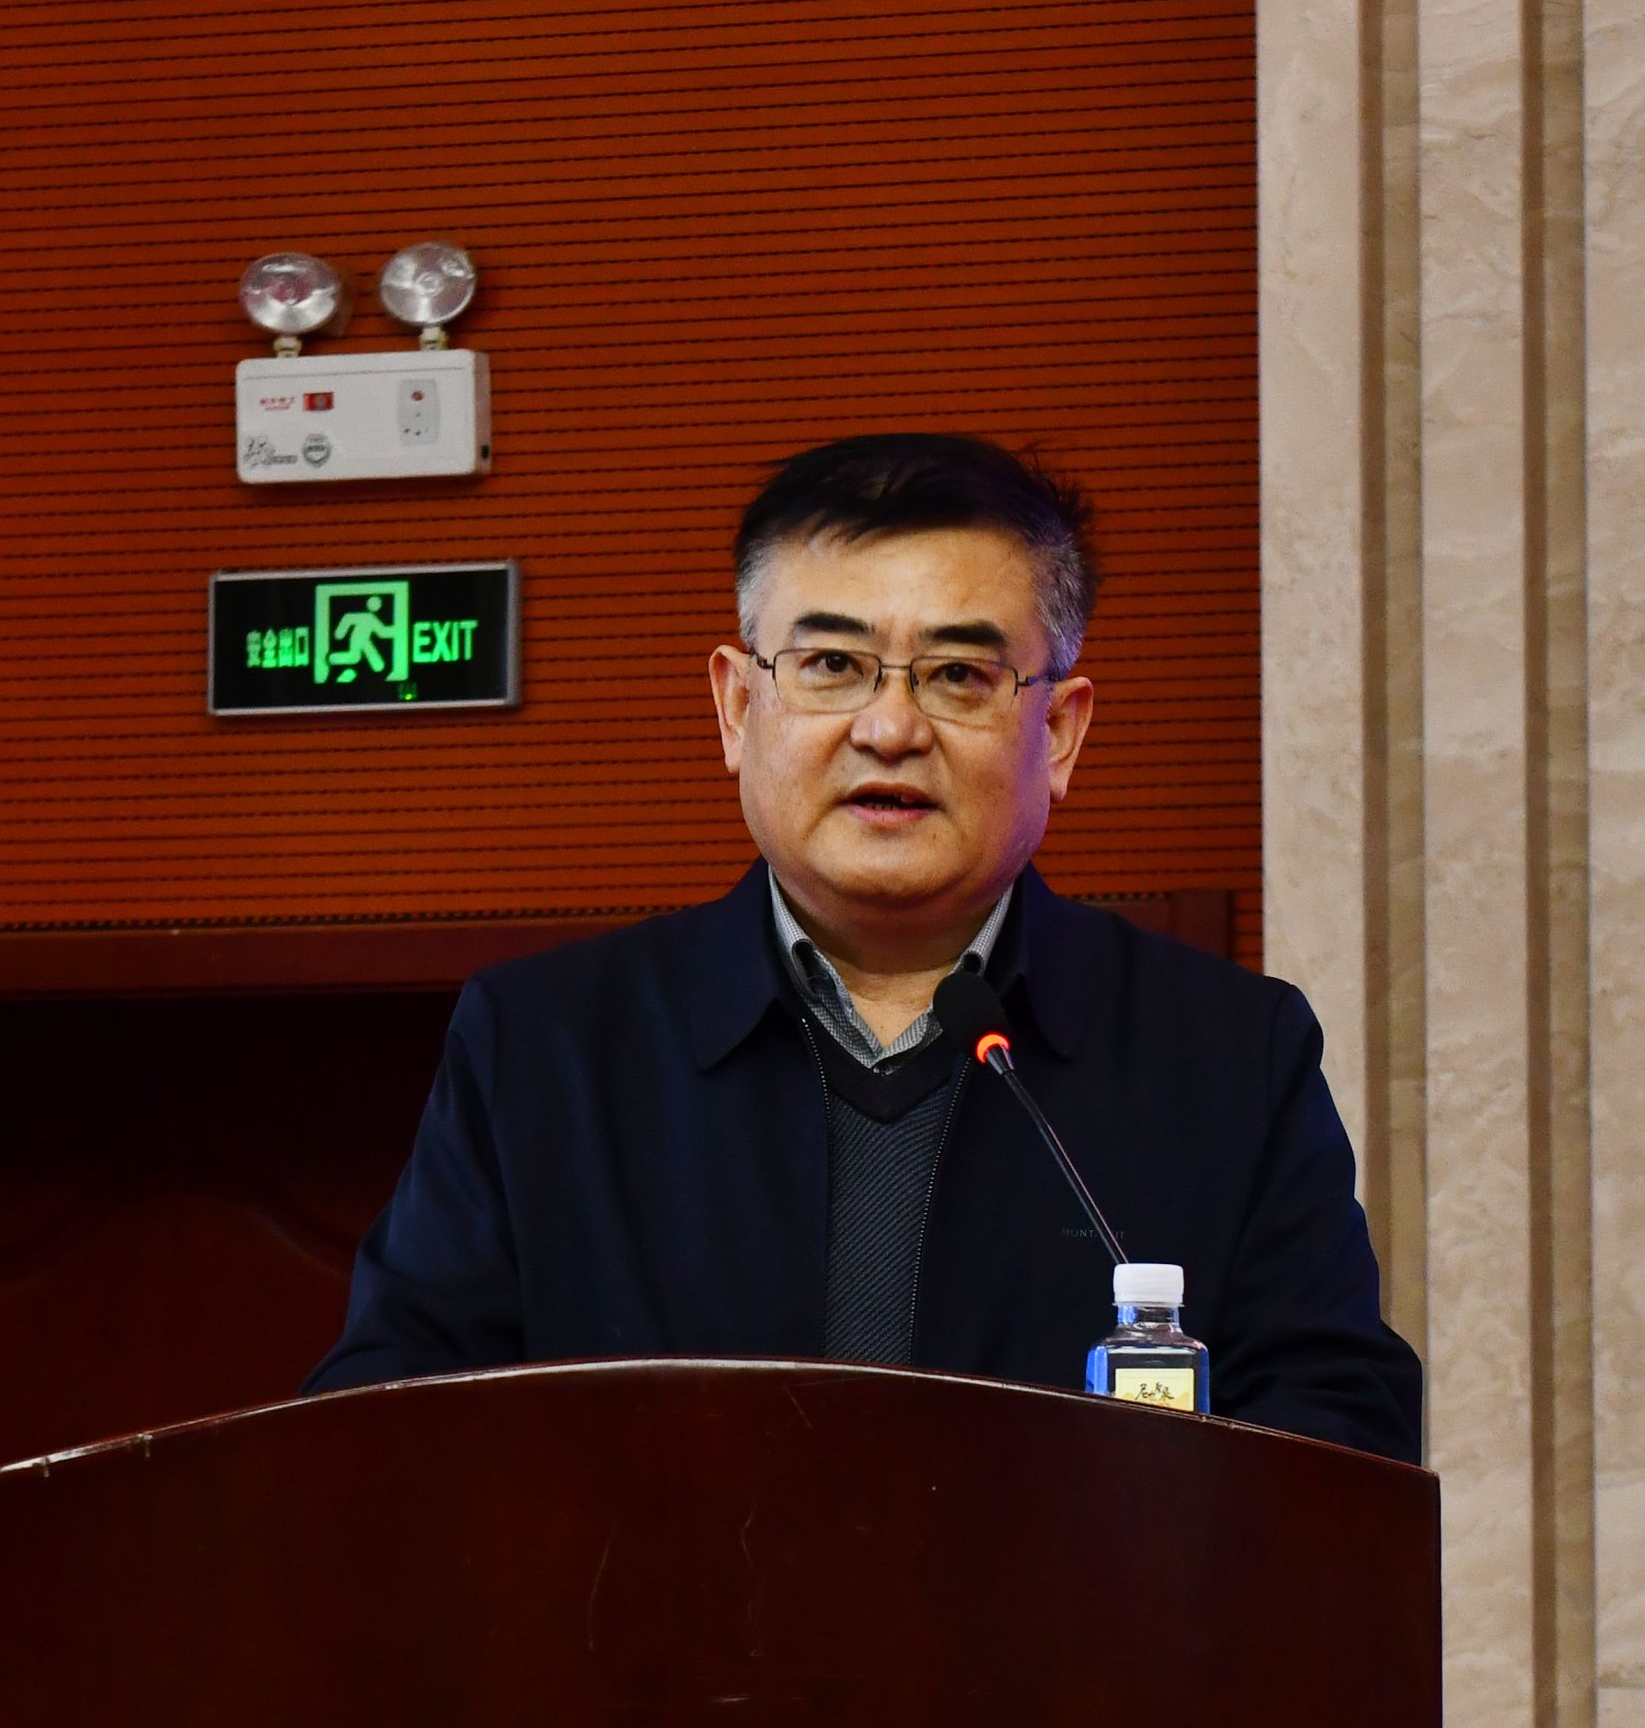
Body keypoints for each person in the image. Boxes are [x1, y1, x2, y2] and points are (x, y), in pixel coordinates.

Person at [305, 434, 1422, 1460]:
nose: (890, 729)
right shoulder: (544, 1046)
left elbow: (1338, 1431)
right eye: (832, 665)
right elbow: (383, 1428)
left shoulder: (1224, 1054)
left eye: (959, 675)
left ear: (1059, 731)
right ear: (736, 708)